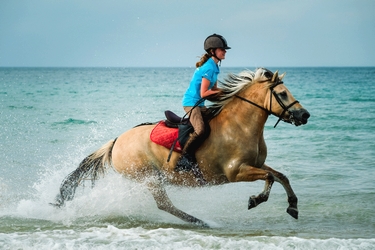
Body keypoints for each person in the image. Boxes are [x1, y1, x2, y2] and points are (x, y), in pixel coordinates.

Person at [176, 34, 231, 171]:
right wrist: (221, 92)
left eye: (224, 49)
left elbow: (215, 90)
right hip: (191, 104)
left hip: (200, 104)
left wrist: (229, 95)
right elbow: (204, 93)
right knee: (200, 130)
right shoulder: (209, 68)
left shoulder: (215, 67)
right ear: (213, 51)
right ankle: (184, 158)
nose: (224, 52)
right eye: (221, 49)